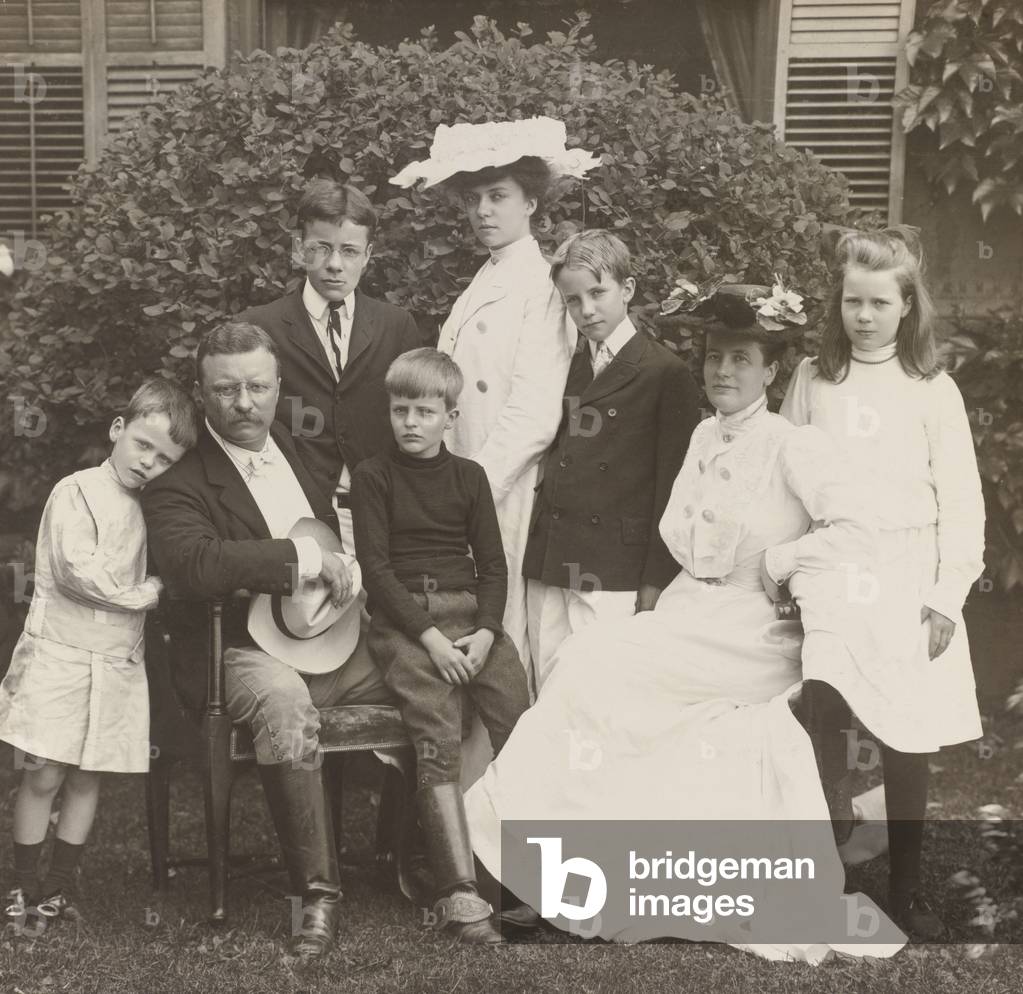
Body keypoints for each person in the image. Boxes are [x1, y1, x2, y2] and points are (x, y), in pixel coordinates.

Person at [464, 284, 905, 962]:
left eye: (740, 359)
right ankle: (551, 873)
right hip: (688, 613)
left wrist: (784, 560)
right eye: (713, 357)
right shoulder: (703, 435)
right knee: (583, 665)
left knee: (603, 676)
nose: (722, 371)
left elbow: (859, 529)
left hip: (751, 630)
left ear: (771, 370)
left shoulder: (792, 446)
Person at [141, 322, 394, 959]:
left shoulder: (296, 448)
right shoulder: (177, 476)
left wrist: (347, 567)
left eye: (257, 387)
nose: (244, 403)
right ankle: (318, 897)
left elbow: (333, 532)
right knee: (283, 702)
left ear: (279, 386)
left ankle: (427, 866)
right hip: (234, 651)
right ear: (201, 394)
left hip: (326, 639)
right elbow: (194, 565)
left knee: (422, 673)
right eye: (226, 390)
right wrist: (302, 557)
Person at [780, 226, 985, 939]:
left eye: (878, 303)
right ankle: (824, 874)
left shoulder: (933, 390)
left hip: (906, 575)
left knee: (905, 733)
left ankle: (905, 888)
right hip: (832, 571)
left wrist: (945, 596)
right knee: (825, 719)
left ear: (906, 307)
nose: (863, 316)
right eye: (852, 302)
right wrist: (787, 567)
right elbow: (784, 479)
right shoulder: (813, 379)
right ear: (836, 303)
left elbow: (962, 502)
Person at [391, 117, 600, 689]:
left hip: (503, 488)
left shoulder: (542, 284)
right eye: (474, 199)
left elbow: (534, 413)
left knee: (503, 632)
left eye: (498, 196)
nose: (483, 211)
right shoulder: (484, 279)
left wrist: (470, 494)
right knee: (462, 627)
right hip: (462, 483)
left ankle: (508, 745)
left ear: (531, 202)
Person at [0, 379, 198, 931]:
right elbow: (78, 573)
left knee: (88, 778)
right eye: (143, 444)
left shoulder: (156, 508)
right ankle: (22, 886)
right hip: (61, 657)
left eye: (165, 459)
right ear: (117, 429)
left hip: (115, 662)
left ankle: (56, 891)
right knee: (44, 774)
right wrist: (150, 592)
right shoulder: (77, 491)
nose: (149, 462)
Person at [351, 348, 530, 943]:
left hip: (470, 617)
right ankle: (459, 891)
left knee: (518, 714)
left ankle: (525, 872)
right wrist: (431, 641)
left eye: (425, 412)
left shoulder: (469, 477)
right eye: (400, 410)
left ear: (450, 417)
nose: (410, 422)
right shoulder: (374, 477)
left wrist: (486, 632)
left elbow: (494, 567)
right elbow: (376, 571)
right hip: (406, 623)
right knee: (436, 727)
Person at [522, 230, 701, 688]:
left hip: (614, 569)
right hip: (552, 557)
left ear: (628, 289)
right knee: (546, 687)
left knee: (598, 689)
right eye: (572, 300)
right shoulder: (566, 364)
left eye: (597, 293)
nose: (586, 310)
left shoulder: (665, 372)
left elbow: (674, 487)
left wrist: (655, 579)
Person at [238, 177, 422, 552]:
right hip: (292, 516)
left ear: (368, 255)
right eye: (321, 248)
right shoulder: (260, 327)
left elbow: (414, 421)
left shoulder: (396, 326)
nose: (335, 264)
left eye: (349, 251)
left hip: (382, 516)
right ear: (299, 249)